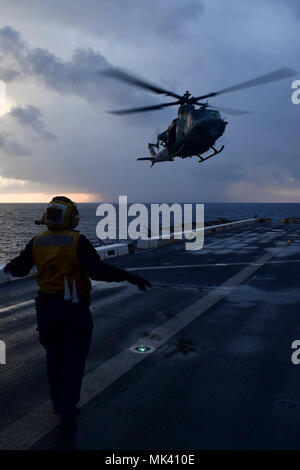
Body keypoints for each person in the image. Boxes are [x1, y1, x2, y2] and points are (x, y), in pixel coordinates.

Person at [4, 196, 152, 432]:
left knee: (53, 357)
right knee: (74, 359)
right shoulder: (77, 241)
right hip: (74, 309)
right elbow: (98, 271)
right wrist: (129, 276)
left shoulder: (37, 242)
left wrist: (12, 265)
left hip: (47, 309)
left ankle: (56, 402)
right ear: (71, 217)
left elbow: (19, 269)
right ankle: (68, 409)